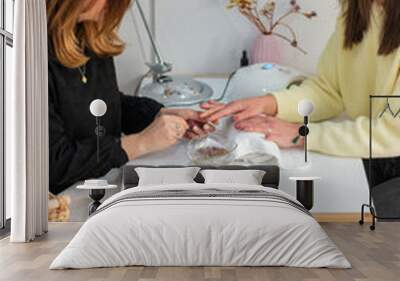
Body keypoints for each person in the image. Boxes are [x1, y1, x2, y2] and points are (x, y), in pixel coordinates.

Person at [201, 0, 400, 186]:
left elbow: (394, 134)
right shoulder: (357, 8)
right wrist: (269, 104)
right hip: (364, 154)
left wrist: (302, 135)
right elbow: (330, 90)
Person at [47, 0, 211, 194]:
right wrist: (138, 144)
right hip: (62, 202)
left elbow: (106, 104)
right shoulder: (31, 60)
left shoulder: (89, 35)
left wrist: (158, 115)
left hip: (101, 181)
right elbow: (55, 163)